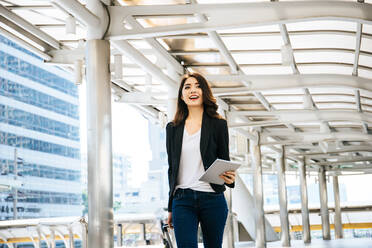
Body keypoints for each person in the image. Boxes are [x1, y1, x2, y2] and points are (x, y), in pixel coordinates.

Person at [165, 73, 236, 248]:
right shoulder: (172, 128)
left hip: (212, 198)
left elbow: (223, 161)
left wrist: (230, 179)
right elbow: (172, 169)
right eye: (187, 87)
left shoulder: (218, 125)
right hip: (182, 199)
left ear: (204, 92)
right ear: (182, 95)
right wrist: (170, 207)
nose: (193, 90)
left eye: (197, 86)